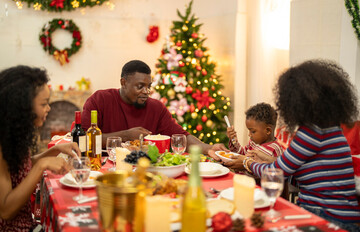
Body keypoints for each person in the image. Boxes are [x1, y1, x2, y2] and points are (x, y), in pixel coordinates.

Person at [221, 59, 360, 231]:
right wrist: (269, 159)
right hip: (337, 215)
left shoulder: (312, 133)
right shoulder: (329, 128)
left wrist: (246, 162)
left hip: (328, 218)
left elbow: (276, 174)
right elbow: (301, 176)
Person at [81, 60, 227, 154]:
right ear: (123, 82)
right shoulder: (100, 100)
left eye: (148, 86)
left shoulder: (156, 107)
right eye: (140, 86)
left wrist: (208, 148)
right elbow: (82, 139)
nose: (146, 91)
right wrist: (126, 135)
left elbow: (181, 137)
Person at [0, 66, 80, 231]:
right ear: (21, 106)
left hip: (27, 223)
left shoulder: (12, 133)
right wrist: (42, 166)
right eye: (44, 104)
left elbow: (22, 166)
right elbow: (6, 211)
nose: (48, 109)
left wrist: (55, 149)